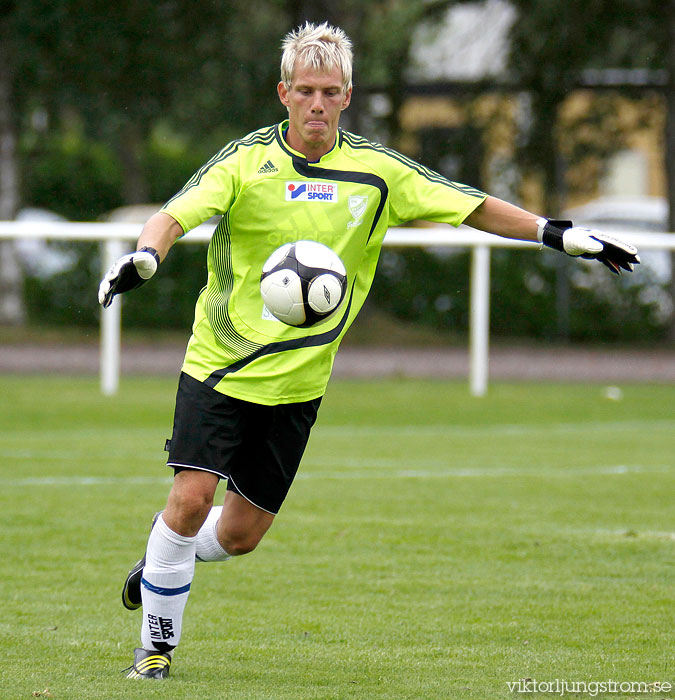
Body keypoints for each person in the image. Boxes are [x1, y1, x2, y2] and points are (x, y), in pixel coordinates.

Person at [98, 22, 640, 680]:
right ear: (283, 94)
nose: (317, 103)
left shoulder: (378, 172)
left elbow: (467, 206)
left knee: (239, 536)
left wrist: (556, 233)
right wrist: (146, 258)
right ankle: (155, 650)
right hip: (219, 366)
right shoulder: (245, 161)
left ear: (347, 96)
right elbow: (174, 214)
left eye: (329, 91)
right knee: (187, 500)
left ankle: (160, 564)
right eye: (305, 91)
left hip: (298, 384)